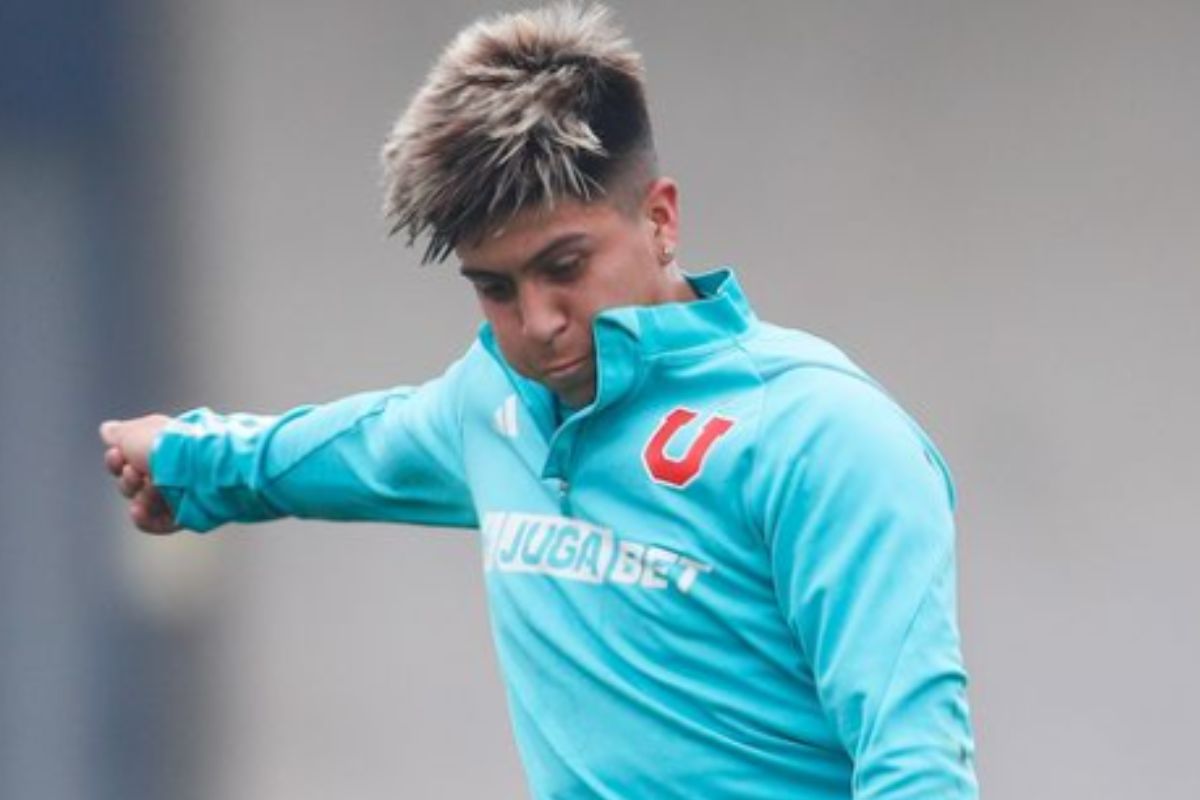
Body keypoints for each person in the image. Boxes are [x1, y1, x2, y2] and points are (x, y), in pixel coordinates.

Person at [99, 4, 978, 797]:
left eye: (565, 267)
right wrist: (188, 462)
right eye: (495, 287)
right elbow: (357, 447)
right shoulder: (494, 404)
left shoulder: (821, 433)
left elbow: (917, 765)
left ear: (661, 220)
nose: (539, 321)